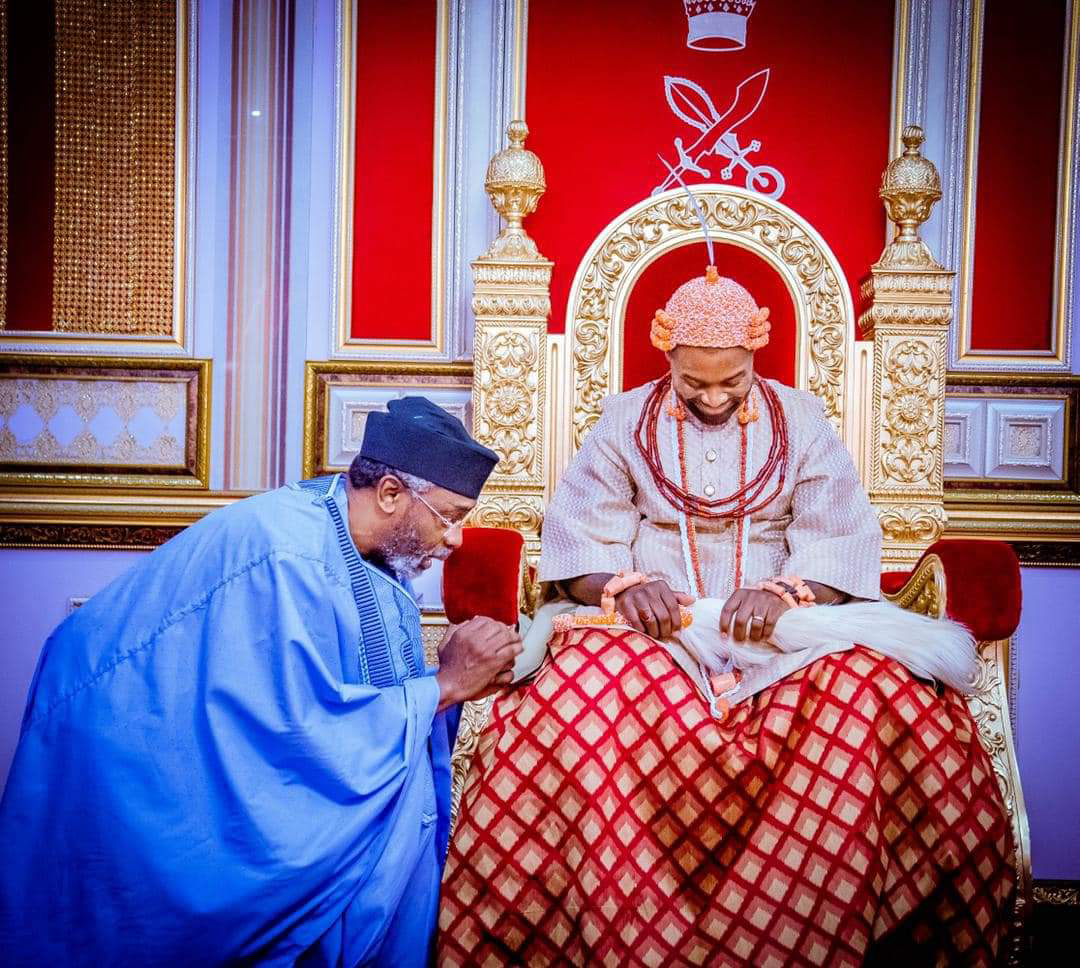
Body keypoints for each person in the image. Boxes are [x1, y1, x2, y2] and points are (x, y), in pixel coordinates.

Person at [439, 269, 1014, 966]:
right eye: (693, 384)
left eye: (732, 382)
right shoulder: (624, 420)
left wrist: (788, 592)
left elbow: (840, 537)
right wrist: (624, 584)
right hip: (655, 633)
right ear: (667, 355)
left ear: (754, 355)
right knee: (580, 689)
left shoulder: (801, 419)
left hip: (787, 637)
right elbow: (580, 538)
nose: (713, 398)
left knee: (872, 692)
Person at [0, 397, 522, 966]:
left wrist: (447, 683)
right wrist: (444, 686)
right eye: (449, 517)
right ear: (391, 493)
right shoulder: (289, 557)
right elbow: (299, 734)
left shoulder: (362, 547)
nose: (455, 540)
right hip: (125, 759)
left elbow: (348, 696)